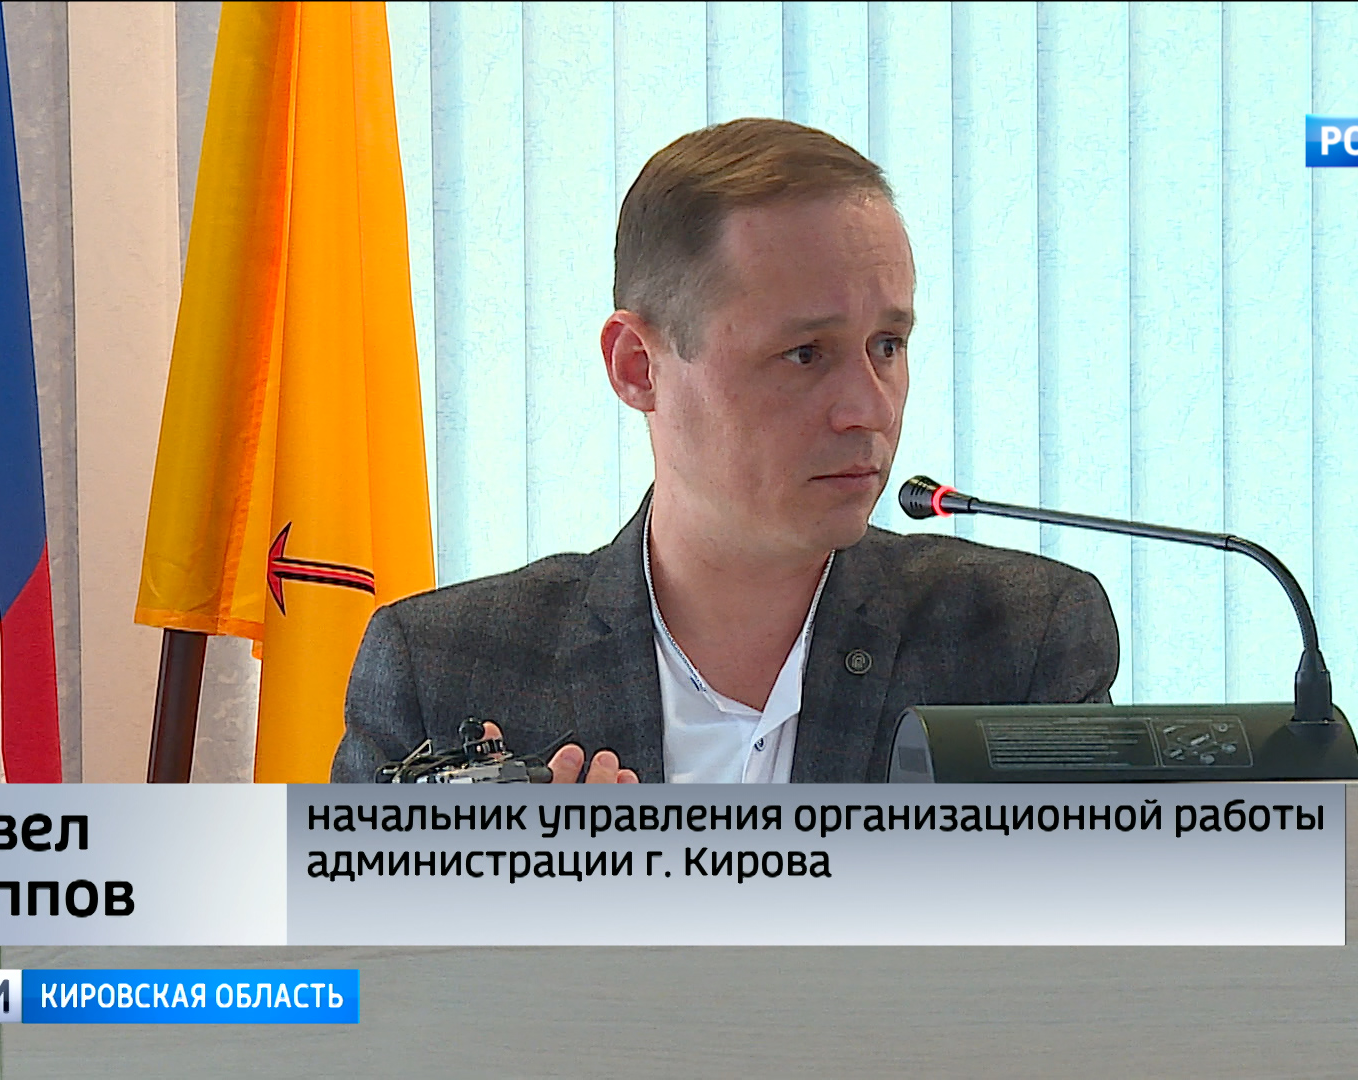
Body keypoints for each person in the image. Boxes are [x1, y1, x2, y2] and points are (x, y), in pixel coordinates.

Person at [330, 118, 1117, 785]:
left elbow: (1100, 922)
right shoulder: (441, 669)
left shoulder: (1020, 645)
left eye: (887, 345)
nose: (871, 409)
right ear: (638, 367)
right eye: (805, 354)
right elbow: (348, 927)